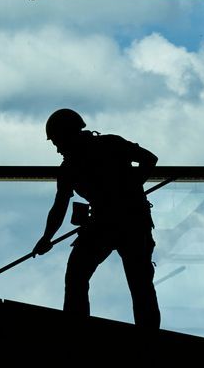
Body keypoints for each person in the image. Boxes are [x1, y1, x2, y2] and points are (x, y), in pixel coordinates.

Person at [33, 108, 161, 329]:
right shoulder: (109, 146)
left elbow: (60, 207)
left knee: (77, 275)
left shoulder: (72, 167)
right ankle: (147, 334)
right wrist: (131, 186)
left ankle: (77, 330)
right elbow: (149, 159)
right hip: (128, 220)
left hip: (112, 223)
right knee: (139, 282)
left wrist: (47, 238)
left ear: (67, 135)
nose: (57, 149)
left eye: (57, 142)